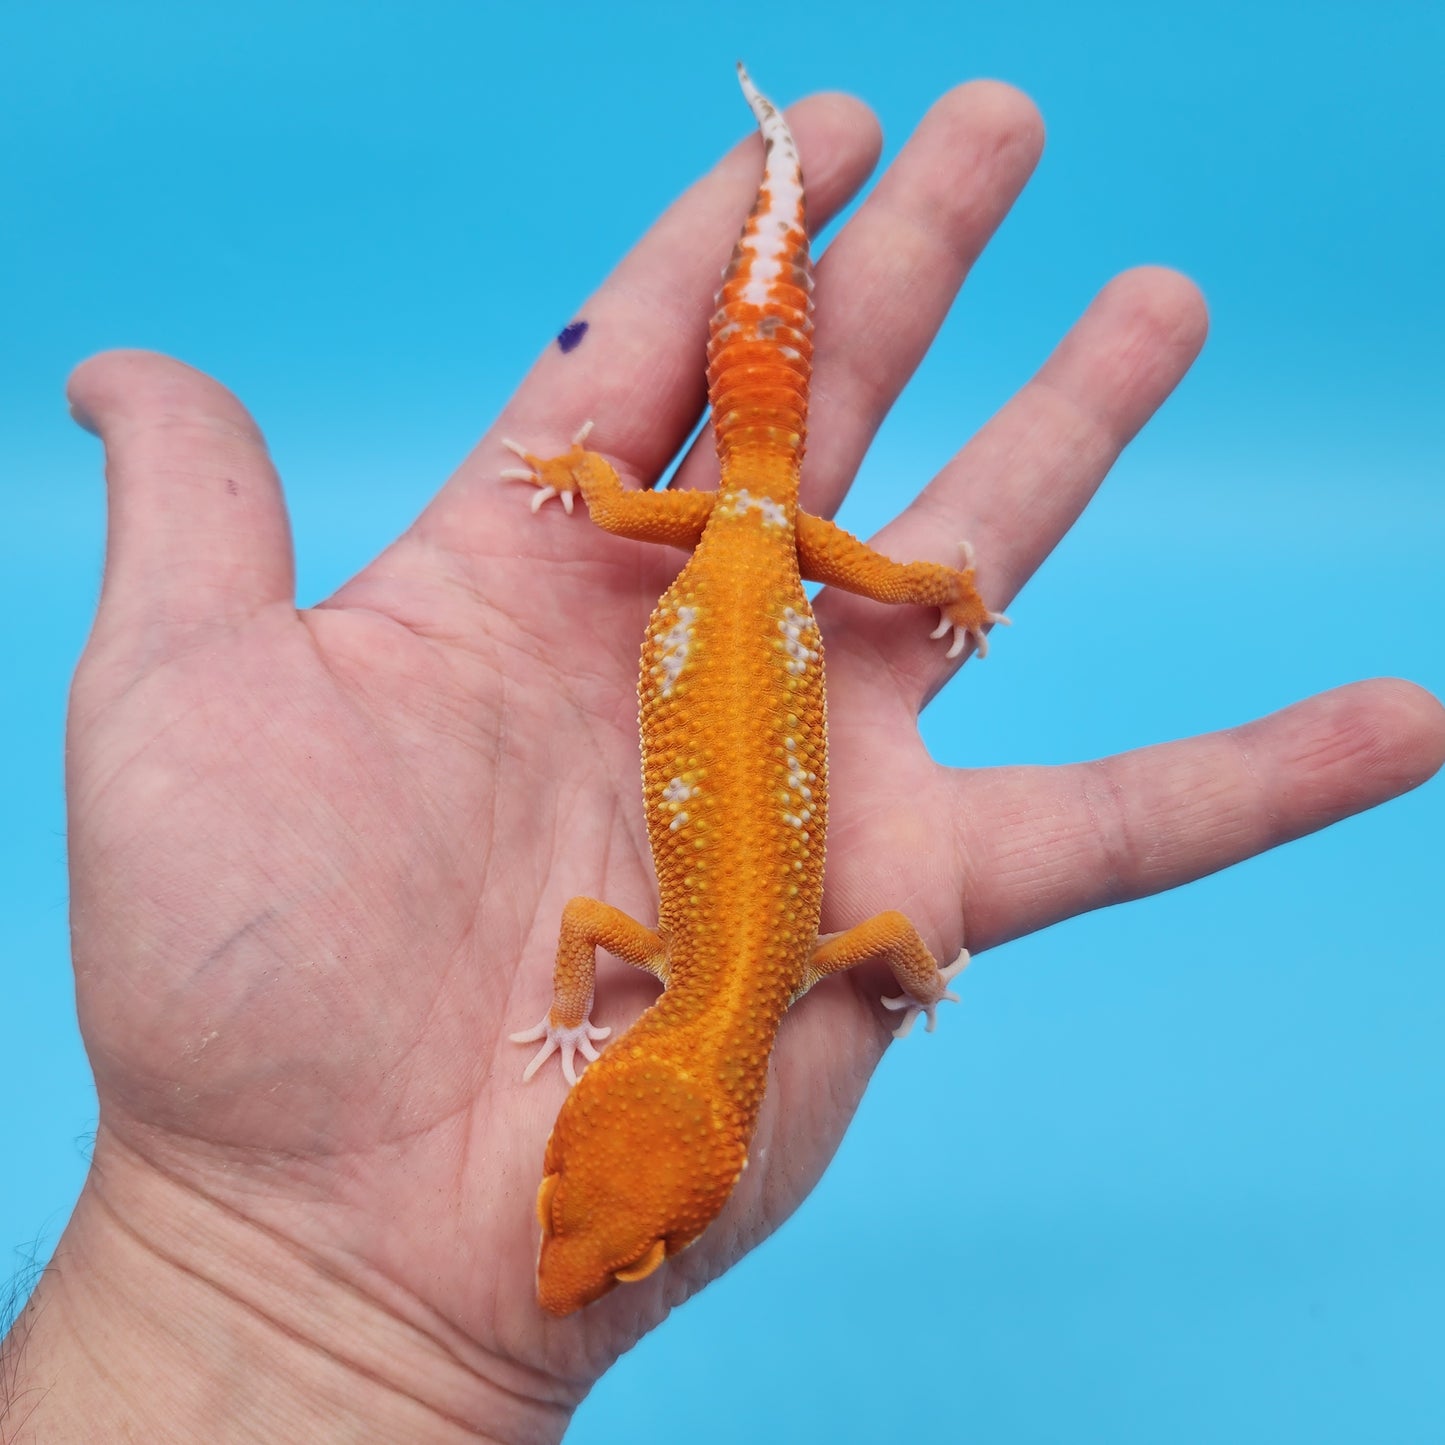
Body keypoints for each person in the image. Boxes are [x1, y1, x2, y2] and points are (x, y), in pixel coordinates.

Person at [3, 79, 1440, 1441]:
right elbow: (645, 929)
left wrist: (915, 969)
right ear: (667, 1149)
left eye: (572, 1210)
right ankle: (747, 278)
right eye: (595, 1225)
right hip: (754, 543)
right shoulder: (702, 965)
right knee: (776, 514)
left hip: (742, 542)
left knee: (794, 526)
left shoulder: (793, 965)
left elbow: (865, 931)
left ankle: (759, 261)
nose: (561, 1248)